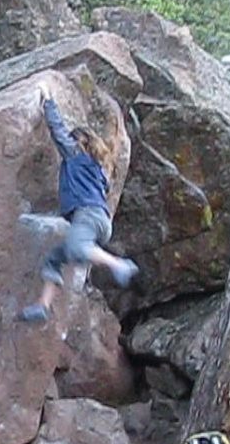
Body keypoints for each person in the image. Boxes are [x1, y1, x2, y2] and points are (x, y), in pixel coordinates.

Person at [19, 83, 140, 322]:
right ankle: (42, 307)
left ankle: (120, 265)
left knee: (76, 247)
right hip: (99, 222)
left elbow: (58, 132)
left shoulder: (77, 156)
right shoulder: (97, 169)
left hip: (88, 216)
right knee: (55, 258)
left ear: (80, 143)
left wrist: (48, 101)